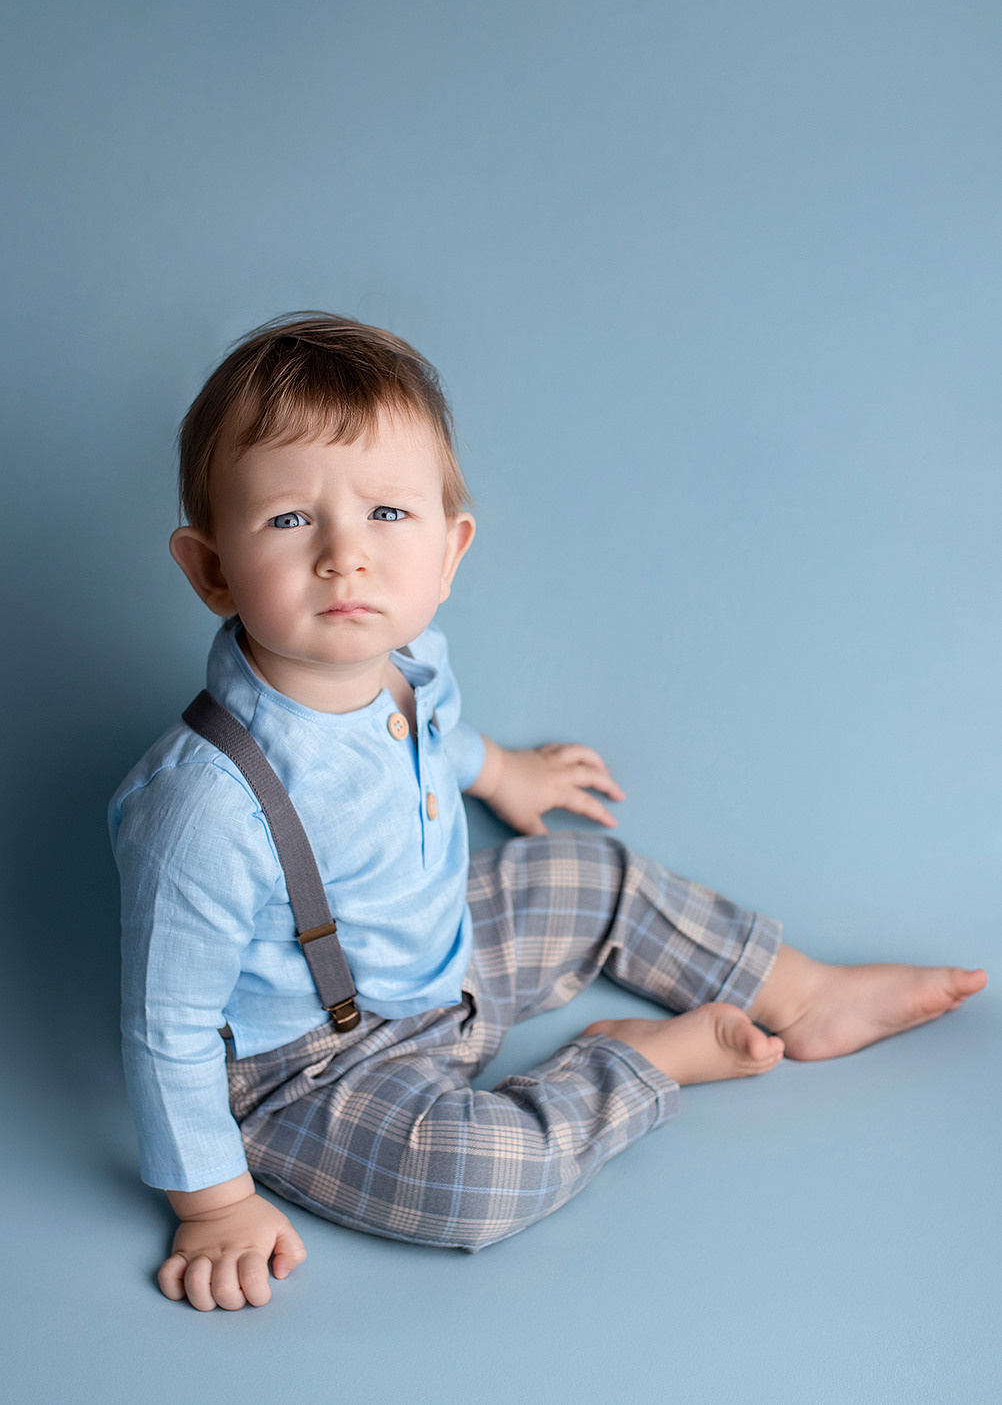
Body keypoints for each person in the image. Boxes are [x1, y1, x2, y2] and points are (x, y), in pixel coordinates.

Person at [110, 313, 987, 1313]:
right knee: (480, 1181)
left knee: (591, 874)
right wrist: (214, 1203)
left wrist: (502, 774)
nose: (345, 556)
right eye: (290, 520)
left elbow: (430, 736)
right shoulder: (201, 806)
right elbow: (165, 1025)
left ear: (451, 549)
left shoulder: (407, 662)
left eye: (388, 514)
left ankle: (800, 987)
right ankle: (633, 1064)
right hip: (313, 1066)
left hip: (442, 955)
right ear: (211, 568)